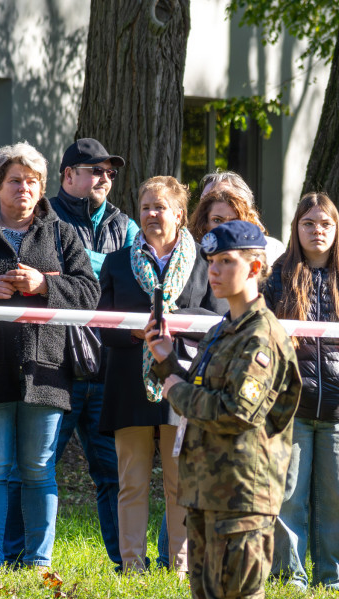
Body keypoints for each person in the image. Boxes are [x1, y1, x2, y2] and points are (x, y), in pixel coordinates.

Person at [145, 220, 301, 599]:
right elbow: (195, 388)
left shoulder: (261, 338)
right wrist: (165, 361)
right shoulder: (223, 330)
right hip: (207, 492)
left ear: (255, 266)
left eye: (226, 262)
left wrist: (173, 387)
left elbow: (236, 411)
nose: (214, 271)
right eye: (210, 262)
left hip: (241, 496)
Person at [0, 142, 100, 568]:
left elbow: (90, 295)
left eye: (32, 181)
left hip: (48, 368)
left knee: (39, 469)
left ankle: (38, 562)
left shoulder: (63, 233)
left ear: (42, 189)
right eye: (14, 180)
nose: (24, 188)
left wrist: (44, 285)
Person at [18, 137, 136, 570]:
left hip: (107, 364)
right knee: (35, 467)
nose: (105, 178)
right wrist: (105, 266)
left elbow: (135, 274)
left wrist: (82, 265)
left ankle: (127, 562)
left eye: (109, 172)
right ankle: (24, 559)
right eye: (94, 170)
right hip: (53, 363)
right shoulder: (42, 219)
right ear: (68, 175)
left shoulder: (127, 225)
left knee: (112, 473)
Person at [97, 176, 225, 573]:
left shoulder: (206, 263)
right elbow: (102, 325)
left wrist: (177, 322)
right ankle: (133, 566)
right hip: (128, 383)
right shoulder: (118, 263)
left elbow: (220, 320)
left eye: (161, 207)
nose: (152, 214)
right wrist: (135, 329)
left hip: (183, 381)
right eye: (146, 208)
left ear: (180, 214)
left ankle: (179, 566)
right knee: (131, 482)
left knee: (179, 481)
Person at [266, 193, 339, 590]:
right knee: (289, 500)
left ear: (336, 231)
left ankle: (335, 579)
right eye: (309, 223)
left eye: (325, 224)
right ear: (296, 229)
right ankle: (290, 578)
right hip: (291, 412)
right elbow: (262, 337)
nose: (318, 231)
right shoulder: (277, 278)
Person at [198, 169, 284, 263]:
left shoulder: (272, 249)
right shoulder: (188, 249)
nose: (209, 204)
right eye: (205, 199)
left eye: (225, 196)